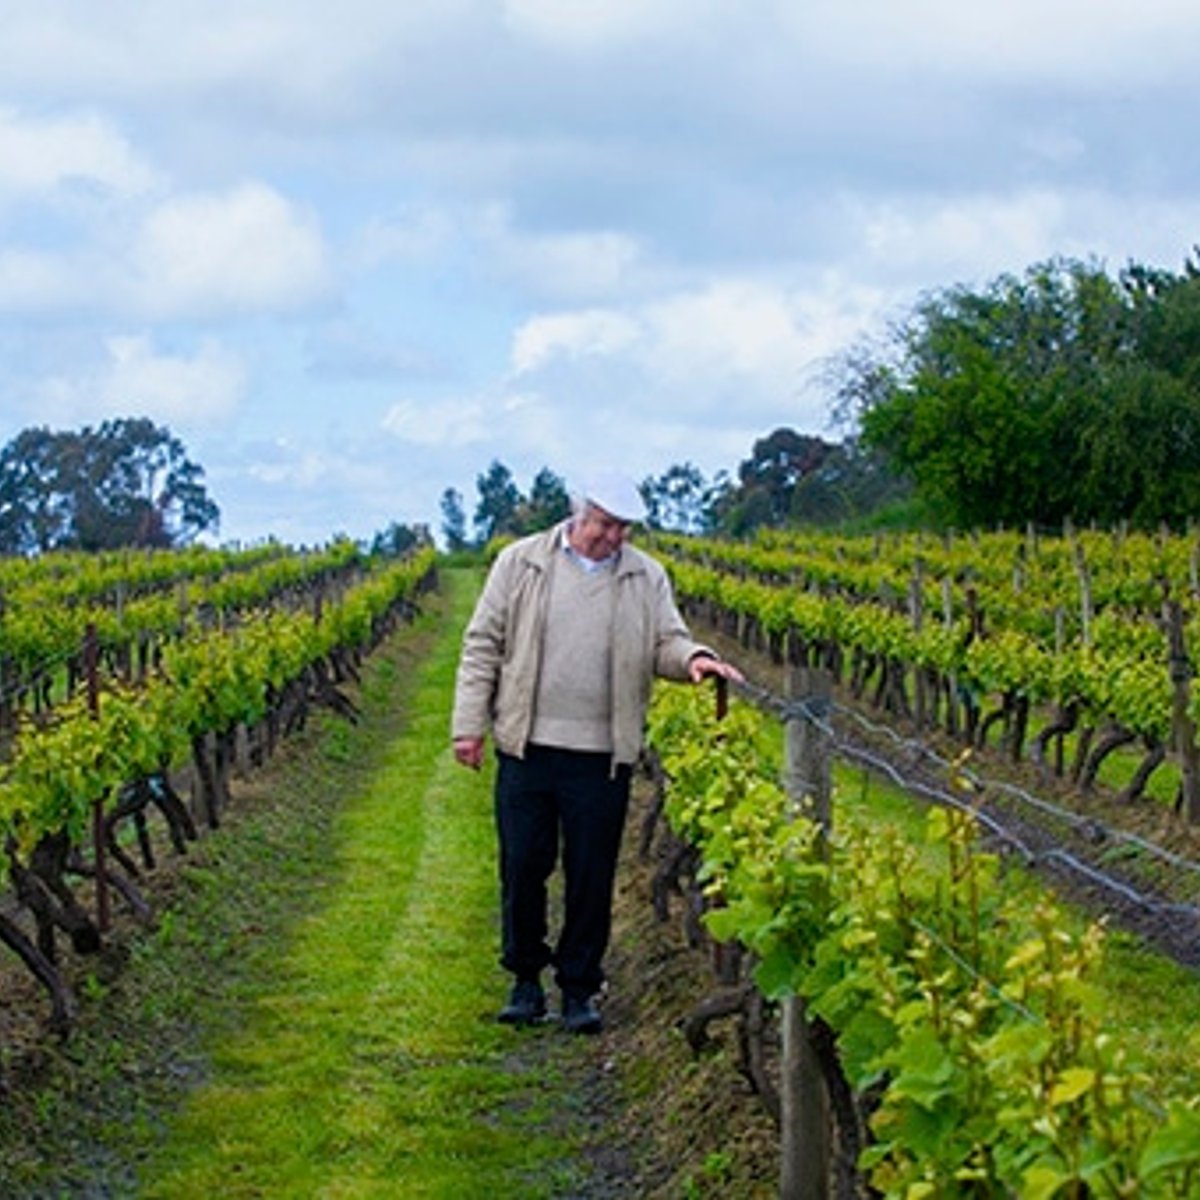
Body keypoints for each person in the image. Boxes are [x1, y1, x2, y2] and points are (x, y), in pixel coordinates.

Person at [451, 469, 743, 1034]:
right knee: (523, 866)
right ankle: (525, 979)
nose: (613, 537)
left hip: (601, 753)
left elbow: (666, 641)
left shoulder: (645, 576)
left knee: (590, 874)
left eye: (623, 528)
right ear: (578, 514)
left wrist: (693, 659)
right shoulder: (521, 562)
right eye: (605, 525)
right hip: (527, 747)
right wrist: (469, 726)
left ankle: (579, 988)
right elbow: (482, 643)